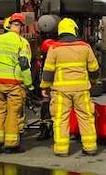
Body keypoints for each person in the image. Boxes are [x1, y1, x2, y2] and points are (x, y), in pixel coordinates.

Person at [40, 17, 101, 157]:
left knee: (61, 119)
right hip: (82, 89)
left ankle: (61, 149)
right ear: (74, 30)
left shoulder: (54, 48)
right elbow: (94, 69)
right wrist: (93, 82)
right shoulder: (85, 47)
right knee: (86, 117)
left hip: (61, 92)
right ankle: (90, 147)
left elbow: (48, 71)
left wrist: (45, 87)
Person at [0, 13, 33, 154]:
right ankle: (11, 144)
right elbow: (24, 65)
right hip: (14, 83)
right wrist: (29, 85)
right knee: (13, 113)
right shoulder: (22, 42)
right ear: (22, 27)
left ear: (9, 24)